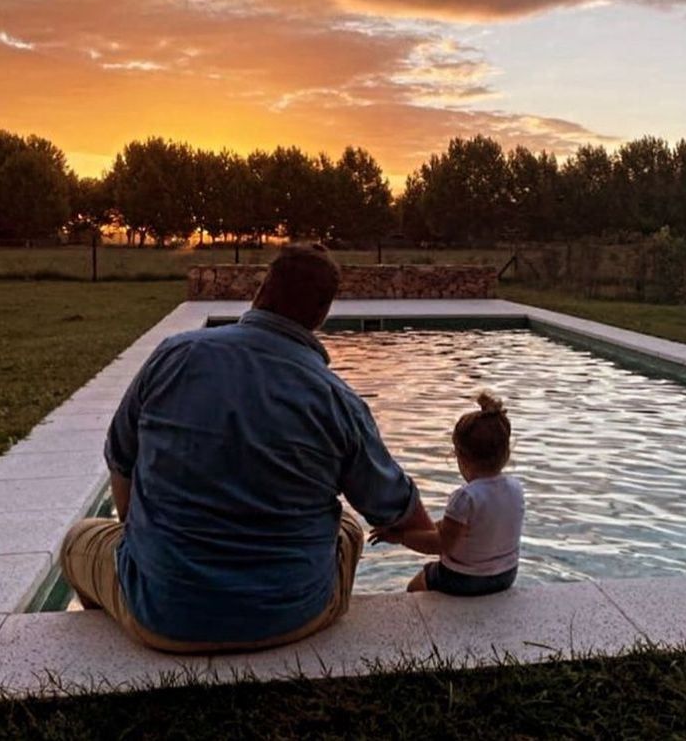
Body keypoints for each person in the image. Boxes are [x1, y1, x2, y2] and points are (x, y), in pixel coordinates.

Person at [60, 243, 434, 653]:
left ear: (261, 290)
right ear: (322, 314)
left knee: (79, 539)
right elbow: (399, 510)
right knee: (345, 526)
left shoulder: (175, 356)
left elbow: (120, 459)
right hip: (293, 617)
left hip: (164, 613)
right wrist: (449, 547)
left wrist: (138, 534)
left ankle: (113, 653)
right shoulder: (336, 400)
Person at [372, 392, 524, 596]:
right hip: (505, 576)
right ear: (506, 453)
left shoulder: (466, 497)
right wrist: (416, 528)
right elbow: (463, 528)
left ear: (460, 456)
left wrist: (401, 537)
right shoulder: (515, 489)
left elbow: (441, 544)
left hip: (464, 580)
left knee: (414, 587)